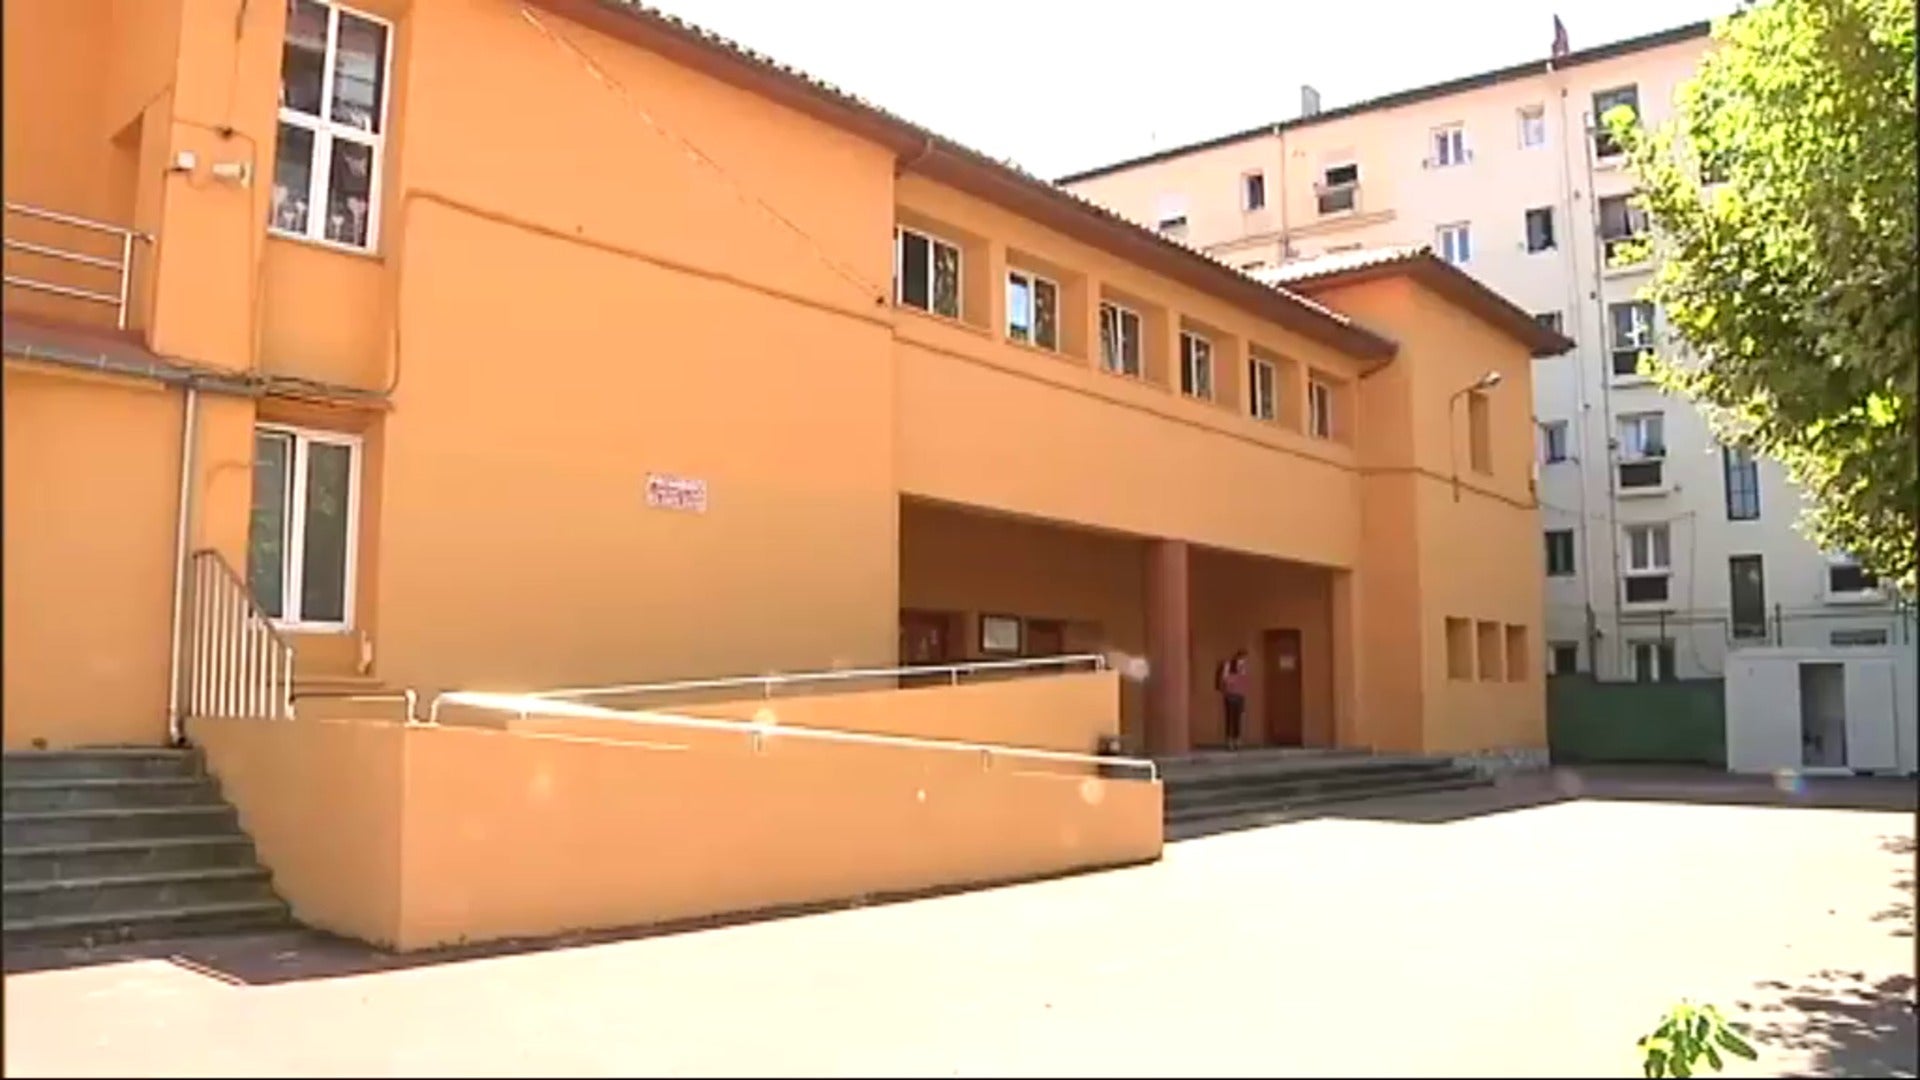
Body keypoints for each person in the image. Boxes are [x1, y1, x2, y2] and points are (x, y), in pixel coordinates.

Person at [1216, 649, 1251, 750]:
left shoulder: (1244, 667)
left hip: (1239, 694)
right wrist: (1232, 681)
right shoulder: (1229, 665)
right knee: (1230, 717)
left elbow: (1244, 681)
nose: (1243, 661)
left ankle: (1237, 739)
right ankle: (1229, 740)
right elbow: (1225, 678)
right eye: (1242, 659)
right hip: (1230, 694)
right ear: (1238, 657)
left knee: (1238, 718)